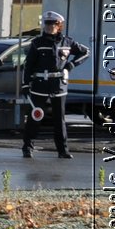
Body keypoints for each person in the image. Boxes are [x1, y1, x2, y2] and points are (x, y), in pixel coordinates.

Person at [21, 10, 89, 159]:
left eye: (53, 23)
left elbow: (85, 52)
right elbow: (28, 65)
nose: (50, 26)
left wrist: (71, 65)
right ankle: (27, 148)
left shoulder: (67, 42)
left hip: (58, 85)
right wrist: (26, 84)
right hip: (40, 85)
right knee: (35, 117)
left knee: (59, 119)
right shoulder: (37, 43)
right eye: (47, 23)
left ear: (60, 26)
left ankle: (63, 150)